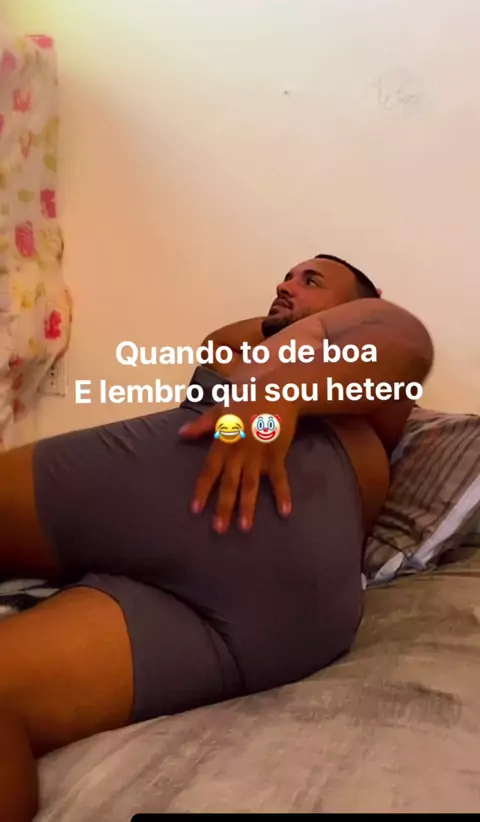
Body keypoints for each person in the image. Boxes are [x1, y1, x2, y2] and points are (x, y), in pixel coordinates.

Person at [0, 254, 433, 821]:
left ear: (362, 303)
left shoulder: (365, 360)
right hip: (283, 623)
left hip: (262, 521)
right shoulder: (248, 342)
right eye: (286, 277)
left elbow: (405, 337)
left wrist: (281, 392)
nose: (286, 285)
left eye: (311, 280)